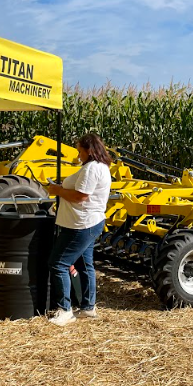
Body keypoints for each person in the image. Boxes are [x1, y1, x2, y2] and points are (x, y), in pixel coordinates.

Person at [46, 133, 112, 326]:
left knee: (58, 263)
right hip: (89, 222)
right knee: (85, 264)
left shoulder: (91, 169)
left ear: (89, 150)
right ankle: (88, 307)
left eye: (80, 151)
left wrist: (57, 190)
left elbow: (81, 196)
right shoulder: (101, 167)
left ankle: (65, 311)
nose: (78, 155)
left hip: (80, 224)